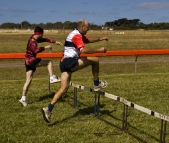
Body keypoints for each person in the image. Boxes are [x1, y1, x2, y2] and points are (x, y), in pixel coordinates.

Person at [41, 19, 108, 123]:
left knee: (63, 89)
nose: (89, 29)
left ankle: (48, 109)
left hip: (63, 63)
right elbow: (84, 50)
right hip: (70, 62)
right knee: (95, 60)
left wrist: (100, 38)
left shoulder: (77, 34)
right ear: (82, 27)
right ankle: (96, 84)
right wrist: (99, 49)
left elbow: (88, 40)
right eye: (87, 27)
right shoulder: (76, 36)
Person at [19, 26, 63, 106]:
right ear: (39, 34)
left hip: (28, 62)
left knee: (28, 80)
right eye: (42, 34)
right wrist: (45, 47)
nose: (42, 35)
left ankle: (23, 98)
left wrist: (55, 42)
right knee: (49, 62)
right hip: (32, 61)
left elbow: (46, 39)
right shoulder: (32, 41)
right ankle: (51, 78)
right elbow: (35, 50)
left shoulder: (34, 38)